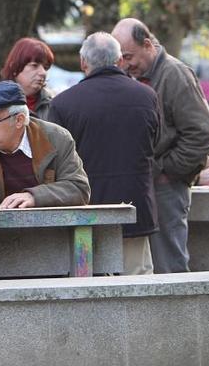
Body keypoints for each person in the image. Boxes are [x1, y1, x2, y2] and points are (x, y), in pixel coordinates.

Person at [47, 32, 160, 275]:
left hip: (86, 214)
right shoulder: (146, 96)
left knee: (89, 287)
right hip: (135, 207)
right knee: (138, 284)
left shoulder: (64, 104)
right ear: (119, 61)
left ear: (83, 63)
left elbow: (55, 163)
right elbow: (154, 144)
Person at [111, 18, 209, 273]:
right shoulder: (136, 76)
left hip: (166, 187)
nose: (125, 64)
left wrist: (167, 170)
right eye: (120, 58)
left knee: (169, 264)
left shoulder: (175, 74)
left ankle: (178, 314)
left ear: (148, 44)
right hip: (145, 184)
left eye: (128, 55)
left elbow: (202, 133)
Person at [0, 81, 90, 209]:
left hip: (46, 229)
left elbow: (79, 188)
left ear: (19, 120)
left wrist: (35, 196)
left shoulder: (57, 138)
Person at [0, 37, 56, 120]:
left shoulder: (54, 106)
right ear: (14, 67)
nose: (43, 72)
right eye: (34, 65)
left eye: (45, 68)